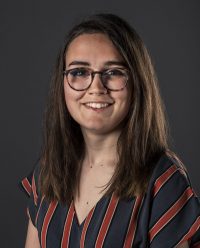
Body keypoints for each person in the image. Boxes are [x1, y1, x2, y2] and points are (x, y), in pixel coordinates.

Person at [20, 13, 200, 248]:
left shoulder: (163, 181)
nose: (96, 87)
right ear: (61, 83)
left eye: (113, 72)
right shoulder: (46, 170)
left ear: (137, 82)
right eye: (79, 72)